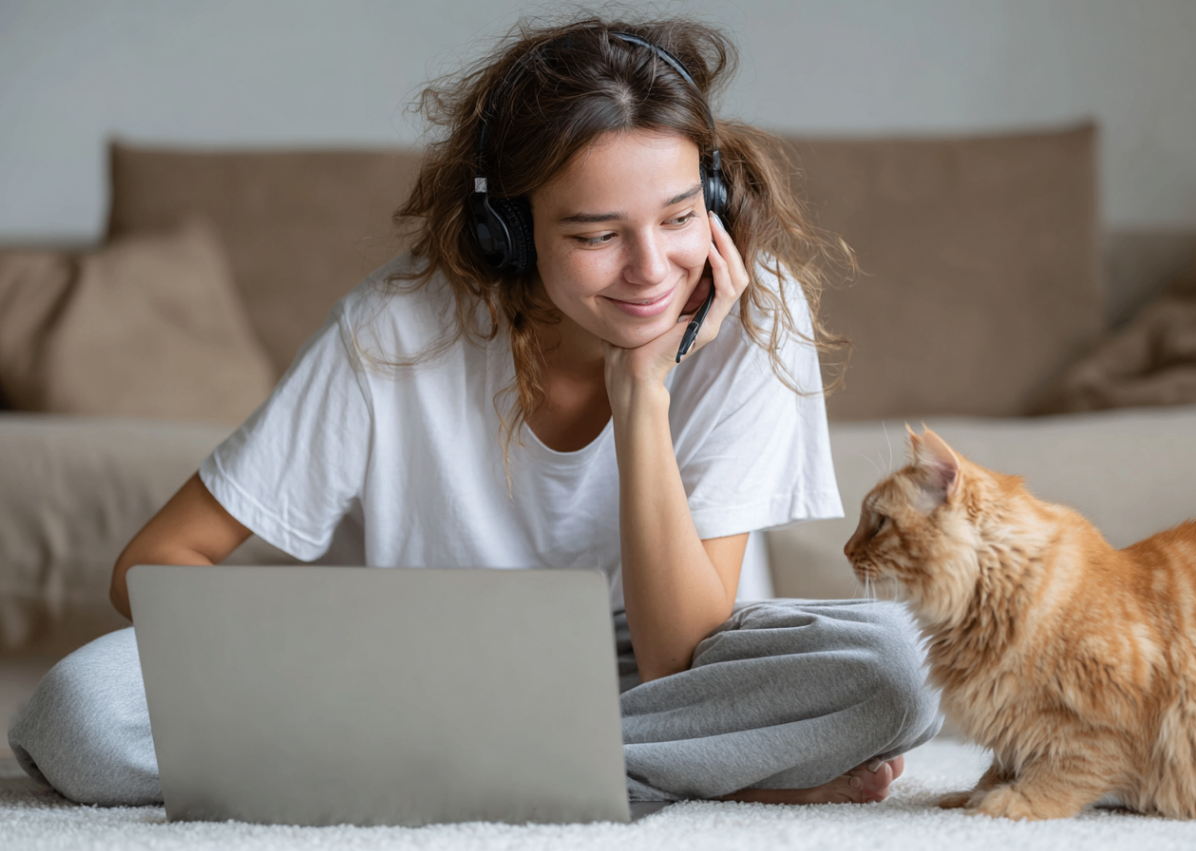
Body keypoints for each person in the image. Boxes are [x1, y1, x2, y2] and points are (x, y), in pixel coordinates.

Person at [8, 16, 940, 807]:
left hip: (666, 666)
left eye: (677, 217)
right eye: (594, 233)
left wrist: (643, 394)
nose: (652, 269)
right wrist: (302, 653)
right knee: (79, 714)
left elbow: (677, 655)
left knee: (899, 662)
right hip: (414, 663)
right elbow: (153, 565)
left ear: (714, 199)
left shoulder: (753, 311)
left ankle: (428, 773)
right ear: (509, 233)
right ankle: (696, 777)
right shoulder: (394, 327)